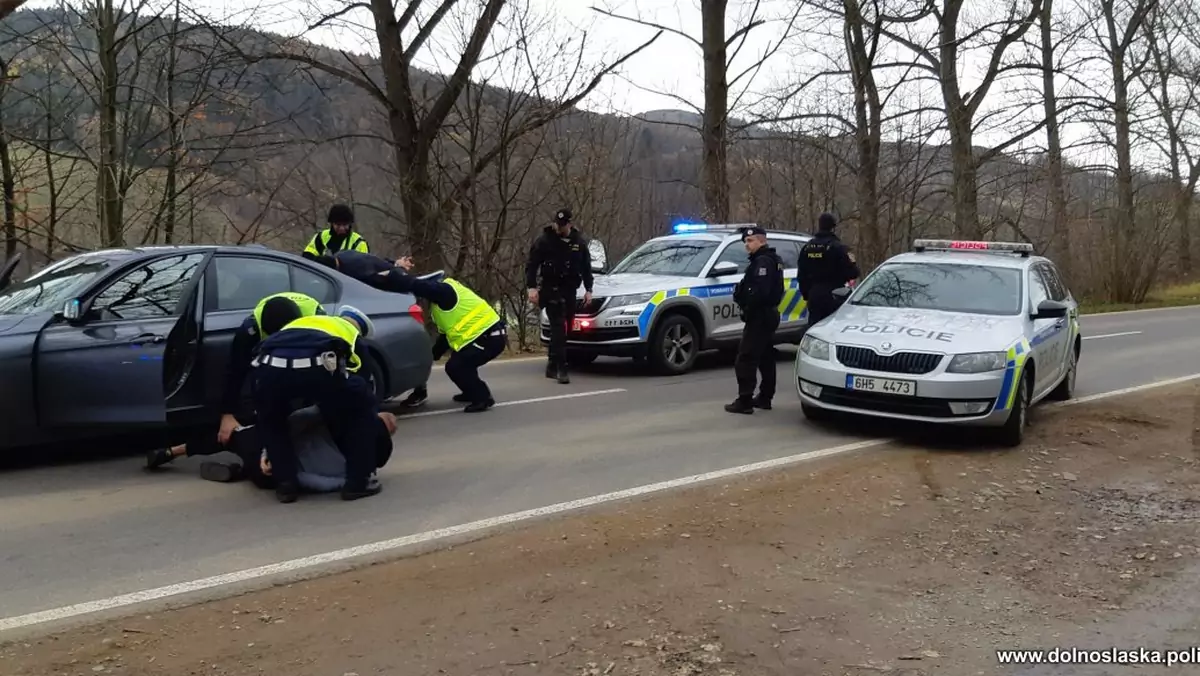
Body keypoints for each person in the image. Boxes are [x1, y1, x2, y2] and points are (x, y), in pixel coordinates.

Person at [145, 292, 327, 474]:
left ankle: (239, 468)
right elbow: (235, 372)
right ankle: (175, 452)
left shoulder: (319, 326)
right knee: (244, 433)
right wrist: (227, 414)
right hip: (279, 397)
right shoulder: (251, 330)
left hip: (309, 394)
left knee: (254, 443)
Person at [252, 304, 383, 503]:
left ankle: (286, 485)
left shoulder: (300, 323)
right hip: (319, 367)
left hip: (270, 367)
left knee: (271, 419)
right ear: (360, 329)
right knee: (360, 408)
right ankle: (357, 483)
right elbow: (361, 379)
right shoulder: (350, 334)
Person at [373, 272, 507, 413]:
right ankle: (470, 391)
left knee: (457, 366)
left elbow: (419, 286)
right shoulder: (439, 307)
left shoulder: (445, 291)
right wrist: (434, 354)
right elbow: (445, 336)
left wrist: (393, 277)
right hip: (484, 338)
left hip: (490, 337)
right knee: (460, 362)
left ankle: (483, 398)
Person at [525, 208, 593, 384]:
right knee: (558, 328)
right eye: (557, 223)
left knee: (567, 327)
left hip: (569, 290)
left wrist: (589, 289)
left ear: (569, 224)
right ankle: (562, 369)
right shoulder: (545, 241)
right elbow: (532, 265)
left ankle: (551, 364)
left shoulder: (578, 242)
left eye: (562, 224)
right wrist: (531, 287)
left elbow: (586, 267)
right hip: (550, 288)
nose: (559, 227)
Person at [258, 407, 398, 493]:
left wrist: (270, 451)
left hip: (284, 452)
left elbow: (300, 418)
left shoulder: (347, 421)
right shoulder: (351, 470)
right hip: (287, 457)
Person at [725, 226, 785, 415]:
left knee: (746, 358)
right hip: (767, 315)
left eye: (750, 241)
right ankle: (765, 397)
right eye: (745, 242)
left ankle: (745, 400)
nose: (747, 245)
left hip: (760, 315)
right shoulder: (768, 260)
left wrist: (746, 303)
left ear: (762, 241)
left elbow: (759, 292)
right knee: (765, 357)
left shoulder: (763, 262)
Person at [798, 212, 860, 327]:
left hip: (814, 295)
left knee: (814, 329)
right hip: (834, 295)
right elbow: (853, 272)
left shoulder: (807, 248)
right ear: (833, 227)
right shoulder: (838, 248)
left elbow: (801, 275)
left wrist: (807, 294)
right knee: (832, 329)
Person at [301, 203, 371, 260]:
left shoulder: (358, 243)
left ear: (350, 224)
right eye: (338, 225)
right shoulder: (321, 237)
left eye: (345, 225)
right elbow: (307, 254)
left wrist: (336, 264)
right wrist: (320, 260)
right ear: (332, 224)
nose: (341, 228)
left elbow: (363, 267)